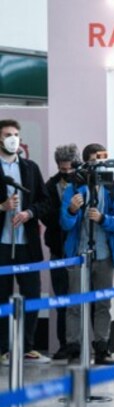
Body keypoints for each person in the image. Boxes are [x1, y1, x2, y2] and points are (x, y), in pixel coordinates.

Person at [59, 143, 114, 365]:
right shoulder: (74, 188)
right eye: (94, 160)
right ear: (86, 163)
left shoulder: (112, 188)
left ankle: (102, 348)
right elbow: (65, 224)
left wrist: (103, 219)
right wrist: (72, 210)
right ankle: (74, 349)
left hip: (105, 255)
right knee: (75, 304)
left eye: (102, 160)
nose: (98, 165)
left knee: (103, 304)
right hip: (78, 254)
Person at [0, 119, 51, 364]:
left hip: (27, 243)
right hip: (2, 244)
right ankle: (3, 349)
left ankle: (27, 345)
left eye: (16, 134)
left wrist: (28, 213)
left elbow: (45, 201)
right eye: (8, 134)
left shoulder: (30, 168)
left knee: (31, 293)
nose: (13, 138)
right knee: (2, 296)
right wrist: (2, 207)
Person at [44, 144, 79, 361]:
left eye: (69, 168)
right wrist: (64, 214)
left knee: (83, 298)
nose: (66, 173)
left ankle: (84, 342)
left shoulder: (83, 182)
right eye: (62, 169)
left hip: (79, 247)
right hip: (58, 248)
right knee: (62, 299)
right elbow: (46, 216)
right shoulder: (50, 186)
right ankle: (65, 344)